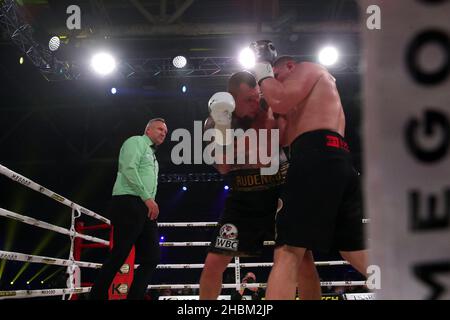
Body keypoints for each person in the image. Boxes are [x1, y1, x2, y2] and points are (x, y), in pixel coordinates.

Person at [249, 40, 368, 299]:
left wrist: (262, 68)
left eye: (277, 76)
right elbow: (276, 141)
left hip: (316, 159)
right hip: (335, 161)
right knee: (352, 251)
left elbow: (279, 97)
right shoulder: (300, 103)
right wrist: (265, 108)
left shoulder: (308, 68)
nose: (272, 81)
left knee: (288, 251)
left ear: (289, 66)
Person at [199, 71, 321, 300]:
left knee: (303, 261)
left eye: (257, 97)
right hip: (242, 200)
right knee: (213, 263)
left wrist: (245, 144)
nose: (255, 103)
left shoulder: (272, 108)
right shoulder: (216, 121)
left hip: (280, 195)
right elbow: (224, 166)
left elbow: (268, 154)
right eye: (248, 100)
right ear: (232, 99)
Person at [89, 118, 168, 300]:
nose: (163, 133)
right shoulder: (136, 142)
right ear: (148, 130)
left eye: (165, 131)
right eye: (160, 129)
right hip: (128, 202)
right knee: (120, 254)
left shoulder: (153, 155)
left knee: (152, 257)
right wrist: (147, 198)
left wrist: (149, 201)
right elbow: (128, 168)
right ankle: (96, 297)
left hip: (145, 206)